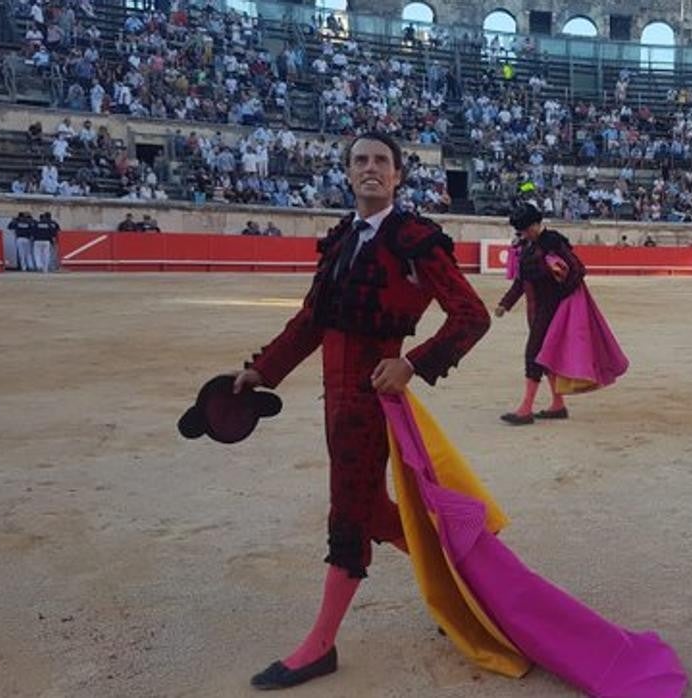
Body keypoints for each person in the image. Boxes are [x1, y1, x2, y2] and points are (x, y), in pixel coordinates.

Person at [231, 132, 492, 688]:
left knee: (348, 515)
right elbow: (311, 321)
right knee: (372, 510)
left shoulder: (415, 240)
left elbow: (472, 315)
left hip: (371, 403)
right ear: (348, 173)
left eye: (381, 161)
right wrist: (262, 371)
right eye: (360, 161)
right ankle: (461, 588)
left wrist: (412, 364)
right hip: (336, 403)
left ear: (397, 175)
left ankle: (320, 646)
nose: (370, 168)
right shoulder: (343, 239)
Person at [494, 204, 594, 425]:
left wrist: (561, 297)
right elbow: (521, 282)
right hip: (535, 310)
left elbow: (578, 270)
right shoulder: (527, 247)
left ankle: (525, 409)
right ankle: (558, 405)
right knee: (545, 356)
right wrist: (505, 303)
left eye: (526, 229)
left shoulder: (553, 243)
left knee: (534, 354)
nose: (524, 233)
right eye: (521, 230)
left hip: (550, 310)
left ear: (537, 224)